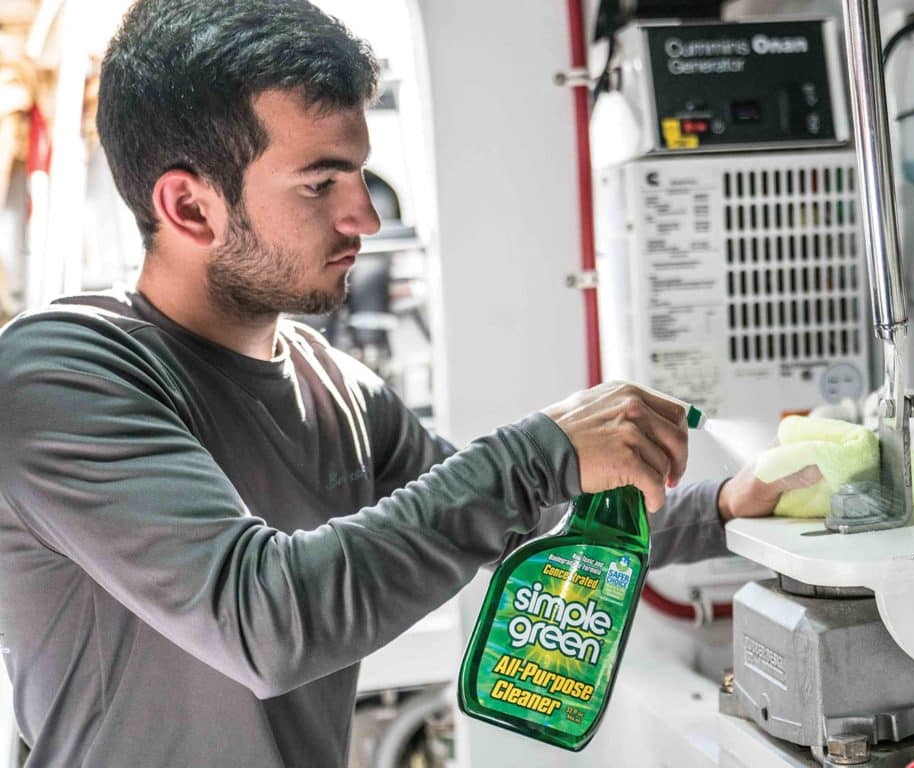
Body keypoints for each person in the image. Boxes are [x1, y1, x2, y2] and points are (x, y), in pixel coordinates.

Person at [0, 1, 819, 766]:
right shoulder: (61, 377)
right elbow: (265, 622)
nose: (365, 215)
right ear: (189, 207)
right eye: (320, 183)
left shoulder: (338, 388)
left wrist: (723, 508)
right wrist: (538, 452)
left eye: (358, 173)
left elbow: (522, 524)